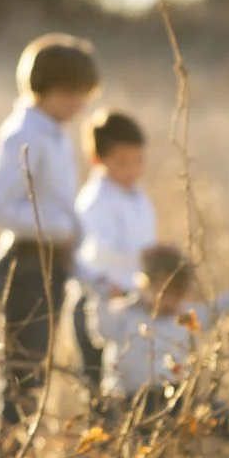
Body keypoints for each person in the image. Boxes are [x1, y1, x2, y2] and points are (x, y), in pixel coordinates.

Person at [0, 33, 105, 455]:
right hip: (24, 268)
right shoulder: (23, 133)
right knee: (21, 383)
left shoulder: (53, 133)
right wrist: (55, 230)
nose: (82, 104)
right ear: (54, 89)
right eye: (77, 94)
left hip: (50, 264)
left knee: (34, 378)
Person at [89, 244, 229, 443]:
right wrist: (101, 295)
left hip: (174, 397)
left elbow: (218, 309)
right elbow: (99, 332)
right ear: (145, 284)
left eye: (176, 294)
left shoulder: (186, 317)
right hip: (127, 400)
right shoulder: (123, 314)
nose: (170, 301)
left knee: (226, 419)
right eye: (164, 292)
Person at [74, 110, 156, 311]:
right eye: (122, 162)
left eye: (138, 160)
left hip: (134, 293)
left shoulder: (138, 195)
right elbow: (101, 250)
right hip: (101, 297)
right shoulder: (95, 200)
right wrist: (149, 255)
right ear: (97, 160)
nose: (132, 169)